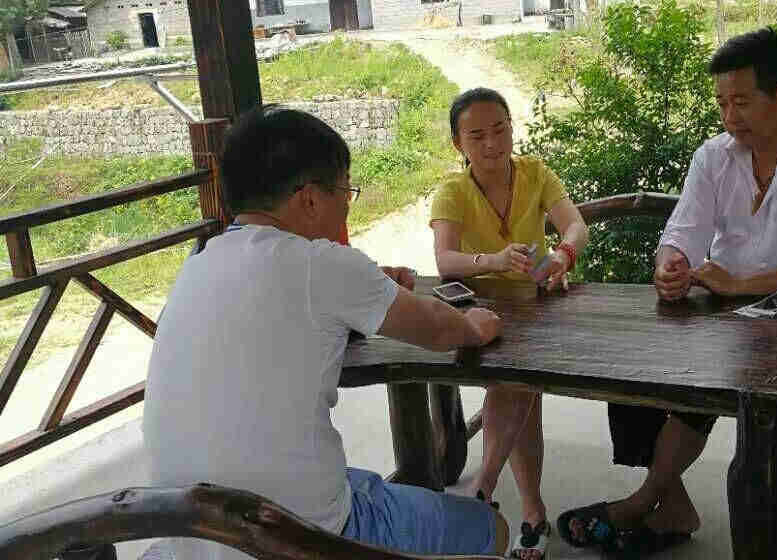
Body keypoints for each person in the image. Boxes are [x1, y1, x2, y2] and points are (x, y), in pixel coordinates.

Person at [142, 105, 509, 560]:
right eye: (344, 190)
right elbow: (438, 330)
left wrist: (370, 287)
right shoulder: (323, 264)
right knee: (490, 527)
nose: (346, 205)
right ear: (311, 199)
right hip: (297, 539)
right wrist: (475, 325)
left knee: (359, 480)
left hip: (188, 532)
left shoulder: (197, 266)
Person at [557, 27, 777, 557]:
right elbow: (682, 232)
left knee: (753, 405)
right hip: (725, 316)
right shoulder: (714, 157)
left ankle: (645, 503)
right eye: (722, 103)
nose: (729, 117)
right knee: (632, 369)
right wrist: (670, 265)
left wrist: (742, 284)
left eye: (741, 102)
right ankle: (669, 503)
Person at [430, 87, 589, 560]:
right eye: (477, 135)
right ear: (458, 143)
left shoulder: (535, 172)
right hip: (480, 311)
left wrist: (563, 255)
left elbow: (576, 225)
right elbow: (444, 260)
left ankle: (495, 497)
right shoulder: (453, 190)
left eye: (500, 129)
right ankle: (517, 504)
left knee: (520, 393)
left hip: (536, 303)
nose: (492, 143)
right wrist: (494, 259)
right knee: (519, 389)